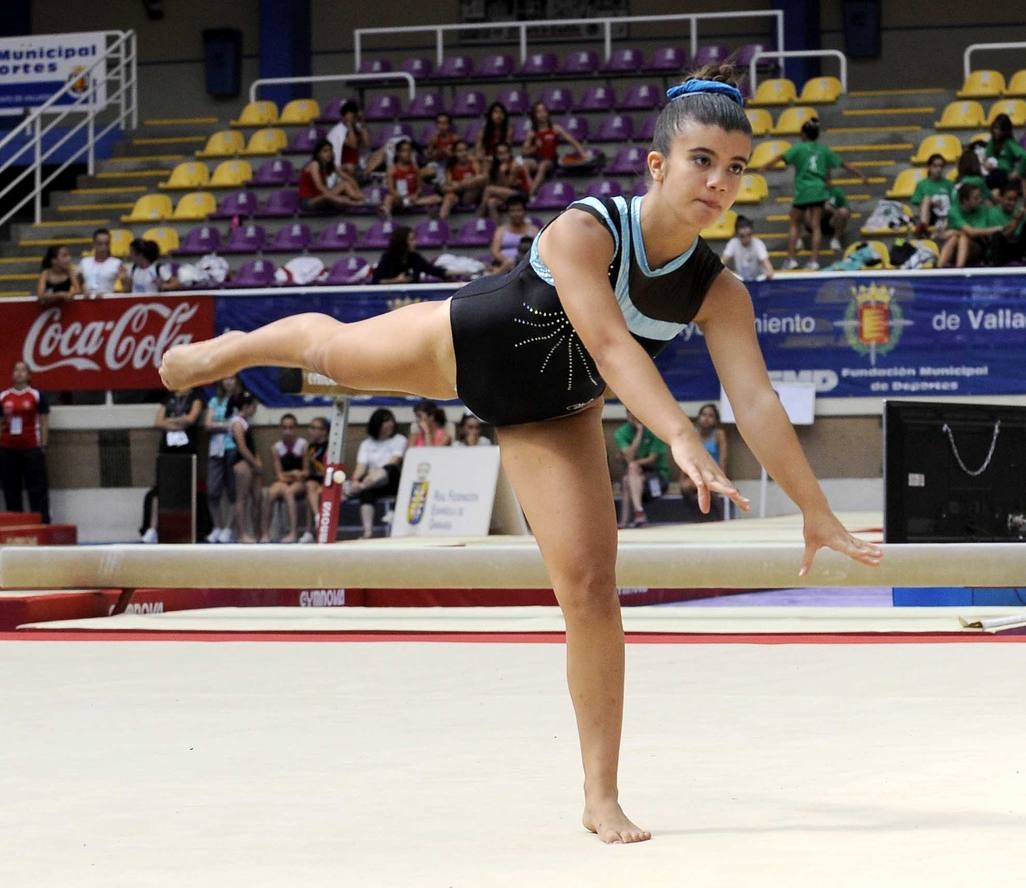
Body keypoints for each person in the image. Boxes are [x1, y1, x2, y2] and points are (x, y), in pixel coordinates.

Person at [160, 66, 883, 843]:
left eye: (735, 168)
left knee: (590, 589)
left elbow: (760, 403)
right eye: (702, 160)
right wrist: (677, 432)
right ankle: (232, 348)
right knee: (330, 353)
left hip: (553, 412)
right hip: (467, 347)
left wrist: (815, 510)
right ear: (657, 165)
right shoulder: (588, 228)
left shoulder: (719, 293)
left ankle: (599, 796)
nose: (719, 181)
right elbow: (608, 343)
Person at [750, 118, 867, 271]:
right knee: (816, 226)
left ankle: (791, 259)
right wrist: (860, 175)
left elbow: (781, 157)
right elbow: (843, 164)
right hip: (819, 190)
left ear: (803, 134)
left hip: (803, 190)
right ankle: (813, 261)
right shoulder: (823, 150)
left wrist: (765, 167)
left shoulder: (799, 148)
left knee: (794, 222)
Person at [141, 386, 206, 543]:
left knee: (186, 488)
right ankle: (153, 528)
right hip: (167, 449)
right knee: (160, 489)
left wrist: (169, 421)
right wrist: (178, 422)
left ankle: (189, 529)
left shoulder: (196, 397)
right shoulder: (168, 397)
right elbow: (157, 422)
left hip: (186, 449)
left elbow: (191, 419)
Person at [342, 408, 406, 540]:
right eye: (386, 421)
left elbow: (394, 461)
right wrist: (355, 480)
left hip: (392, 480)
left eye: (391, 420)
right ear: (377, 424)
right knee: (366, 494)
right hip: (371, 483)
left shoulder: (399, 439)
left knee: (388, 469)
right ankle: (368, 532)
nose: (390, 424)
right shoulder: (367, 444)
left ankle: (358, 489)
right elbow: (360, 468)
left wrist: (363, 482)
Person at [0, 361, 51, 524]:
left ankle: (42, 524)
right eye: (16, 370)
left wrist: (43, 445)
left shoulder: (37, 396)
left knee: (37, 490)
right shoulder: (3, 397)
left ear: (29, 375)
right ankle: (15, 526)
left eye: (23, 370)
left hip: (32, 449)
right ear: (12, 375)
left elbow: (44, 422)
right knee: (11, 491)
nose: (19, 373)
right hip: (8, 450)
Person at [614, 410, 670, 529]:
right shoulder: (621, 432)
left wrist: (633, 463)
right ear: (627, 415)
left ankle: (629, 518)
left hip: (657, 479)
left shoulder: (655, 430)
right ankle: (635, 515)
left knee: (631, 470)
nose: (634, 416)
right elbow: (629, 457)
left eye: (637, 412)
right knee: (626, 479)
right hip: (636, 479)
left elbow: (652, 459)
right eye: (630, 413)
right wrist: (639, 432)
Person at [522, 100, 586, 197]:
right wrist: (535, 147)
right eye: (538, 112)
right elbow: (524, 152)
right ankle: (531, 187)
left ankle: (529, 195)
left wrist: (583, 154)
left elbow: (572, 141)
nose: (542, 114)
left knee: (543, 165)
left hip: (551, 160)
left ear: (547, 113)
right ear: (534, 115)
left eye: (544, 111)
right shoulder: (532, 133)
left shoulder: (555, 128)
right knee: (525, 164)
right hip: (537, 159)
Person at [261, 413, 308, 543]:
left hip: (299, 483)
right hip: (285, 480)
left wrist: (297, 475)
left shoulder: (303, 444)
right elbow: (279, 475)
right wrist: (293, 473)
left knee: (289, 492)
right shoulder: (276, 448)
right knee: (271, 493)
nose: (288, 431)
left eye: (291, 428)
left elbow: (306, 472)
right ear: (280, 429)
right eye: (285, 428)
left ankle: (293, 533)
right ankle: (265, 533)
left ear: (296, 428)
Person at [204, 374, 239, 543]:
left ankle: (229, 528)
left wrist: (218, 425)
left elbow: (239, 424)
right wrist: (226, 425)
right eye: (226, 378)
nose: (229, 381)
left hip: (232, 448)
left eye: (232, 378)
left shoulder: (240, 400)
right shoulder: (214, 401)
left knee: (233, 491)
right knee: (212, 490)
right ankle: (217, 526)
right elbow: (207, 424)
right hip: (215, 450)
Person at [680, 402, 729, 522]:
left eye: (710, 416)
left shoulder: (719, 435)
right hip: (695, 475)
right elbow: (685, 458)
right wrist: (682, 478)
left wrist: (722, 479)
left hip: (713, 474)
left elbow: (723, 459)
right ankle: (696, 517)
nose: (706, 418)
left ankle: (719, 516)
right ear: (699, 417)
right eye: (704, 414)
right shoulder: (692, 435)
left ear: (716, 420)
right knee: (685, 487)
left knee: (707, 487)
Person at [936, 182, 1002, 268]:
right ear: (965, 200)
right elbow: (972, 232)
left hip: (978, 248)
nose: (980, 200)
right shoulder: (953, 212)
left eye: (980, 196)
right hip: (955, 249)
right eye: (976, 198)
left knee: (962, 238)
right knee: (954, 238)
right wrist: (995, 229)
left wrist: (956, 232)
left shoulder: (984, 210)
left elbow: (976, 235)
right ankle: (938, 269)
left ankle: (959, 270)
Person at [230, 392, 263, 543]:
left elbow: (252, 446)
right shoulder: (237, 422)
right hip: (242, 463)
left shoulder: (245, 422)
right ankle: (241, 534)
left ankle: (259, 534)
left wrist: (257, 462)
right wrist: (255, 463)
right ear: (245, 406)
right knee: (241, 499)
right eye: (254, 406)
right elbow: (242, 448)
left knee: (257, 498)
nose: (255, 409)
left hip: (250, 463)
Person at [380, 139, 442, 219]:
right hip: (399, 200)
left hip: (413, 199)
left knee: (437, 198)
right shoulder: (392, 170)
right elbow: (391, 190)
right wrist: (402, 197)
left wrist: (415, 195)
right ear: (398, 153)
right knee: (388, 198)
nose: (408, 153)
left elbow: (419, 187)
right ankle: (387, 219)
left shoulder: (415, 168)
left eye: (409, 150)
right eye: (404, 151)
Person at [326, 99, 386, 181]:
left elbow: (368, 143)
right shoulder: (338, 132)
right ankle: (362, 176)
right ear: (343, 117)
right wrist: (349, 124)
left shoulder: (358, 126)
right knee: (350, 166)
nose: (352, 119)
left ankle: (365, 174)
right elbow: (353, 145)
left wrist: (362, 121)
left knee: (385, 150)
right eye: (350, 117)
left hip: (360, 164)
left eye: (354, 117)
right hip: (342, 167)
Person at [298, 139, 364, 212]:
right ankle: (356, 204)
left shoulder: (330, 164)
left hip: (321, 196)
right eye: (325, 151)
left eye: (330, 150)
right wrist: (335, 197)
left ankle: (362, 199)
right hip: (309, 201)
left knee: (345, 184)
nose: (329, 153)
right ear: (318, 153)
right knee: (327, 196)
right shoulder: (314, 164)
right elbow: (319, 186)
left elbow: (348, 178)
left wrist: (358, 190)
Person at [372, 225, 451, 285]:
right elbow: (376, 281)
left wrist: (461, 271)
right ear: (402, 242)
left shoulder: (416, 258)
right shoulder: (388, 258)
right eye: (411, 240)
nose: (415, 242)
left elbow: (436, 271)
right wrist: (396, 280)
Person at [478, 141, 532, 222]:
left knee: (488, 189)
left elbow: (507, 186)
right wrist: (487, 167)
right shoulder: (497, 166)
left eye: (505, 153)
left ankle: (479, 217)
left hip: (520, 194)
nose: (503, 156)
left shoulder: (514, 165)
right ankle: (497, 228)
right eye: (499, 154)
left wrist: (502, 173)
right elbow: (495, 185)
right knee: (491, 202)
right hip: (507, 195)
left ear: (509, 153)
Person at [489, 194, 539, 274]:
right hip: (504, 264)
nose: (516, 214)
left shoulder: (533, 230)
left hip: (525, 267)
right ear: (508, 213)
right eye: (512, 211)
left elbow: (537, 252)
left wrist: (518, 263)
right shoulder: (501, 230)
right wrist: (507, 261)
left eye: (519, 210)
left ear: (524, 212)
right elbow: (494, 251)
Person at [438, 140, 487, 220]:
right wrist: (462, 184)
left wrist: (465, 183)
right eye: (460, 151)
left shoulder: (473, 163)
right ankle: (441, 225)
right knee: (448, 197)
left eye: (465, 150)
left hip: (472, 194)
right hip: (458, 194)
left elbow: (480, 179)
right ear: (454, 153)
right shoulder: (450, 166)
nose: (463, 153)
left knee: (479, 180)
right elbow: (450, 186)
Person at [911, 154, 956, 237]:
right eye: (935, 166)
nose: (938, 169)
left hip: (946, 216)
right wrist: (932, 204)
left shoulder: (949, 184)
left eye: (941, 166)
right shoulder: (922, 184)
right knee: (927, 199)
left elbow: (954, 205)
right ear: (929, 167)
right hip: (930, 216)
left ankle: (933, 232)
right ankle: (923, 228)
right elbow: (917, 205)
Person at [981, 113, 1026, 195]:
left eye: (1000, 129)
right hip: (991, 176)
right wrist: (985, 164)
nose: (997, 131)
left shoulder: (1009, 143)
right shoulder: (991, 142)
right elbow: (986, 159)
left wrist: (1018, 172)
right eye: (995, 128)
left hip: (1004, 177)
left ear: (1005, 131)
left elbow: (1024, 156)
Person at [720, 215, 773, 281]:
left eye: (749, 234)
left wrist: (768, 274)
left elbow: (769, 269)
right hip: (740, 282)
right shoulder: (733, 243)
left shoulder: (758, 243)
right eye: (742, 236)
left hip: (757, 282)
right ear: (737, 234)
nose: (746, 239)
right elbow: (722, 263)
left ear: (752, 232)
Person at [303, 416, 330, 543]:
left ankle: (311, 530)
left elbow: (331, 469)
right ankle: (317, 517)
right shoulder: (310, 447)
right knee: (309, 487)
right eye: (311, 428)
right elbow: (308, 470)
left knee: (316, 493)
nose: (312, 431)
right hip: (314, 479)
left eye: (316, 428)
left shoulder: (331, 446)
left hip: (328, 479)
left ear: (324, 431)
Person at [987, 184, 1026, 266]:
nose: (1012, 203)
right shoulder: (992, 213)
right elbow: (1004, 237)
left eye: (1015, 200)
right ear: (1001, 198)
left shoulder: (1020, 212)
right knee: (998, 237)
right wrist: (1017, 221)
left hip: (1017, 248)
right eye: (1009, 199)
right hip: (1001, 250)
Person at [36, 244, 82, 309]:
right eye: (64, 256)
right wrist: (59, 295)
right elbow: (40, 296)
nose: (69, 258)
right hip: (49, 311)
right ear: (54, 261)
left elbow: (78, 290)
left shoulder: (70, 272)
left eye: (68, 255)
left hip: (68, 311)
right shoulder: (46, 274)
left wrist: (71, 293)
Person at [79, 228, 122, 296]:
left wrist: (125, 279)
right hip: (87, 302)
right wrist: (83, 290)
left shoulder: (116, 263)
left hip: (107, 303)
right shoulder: (84, 262)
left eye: (106, 244)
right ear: (93, 244)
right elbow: (79, 283)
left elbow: (127, 289)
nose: (103, 247)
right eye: (100, 244)